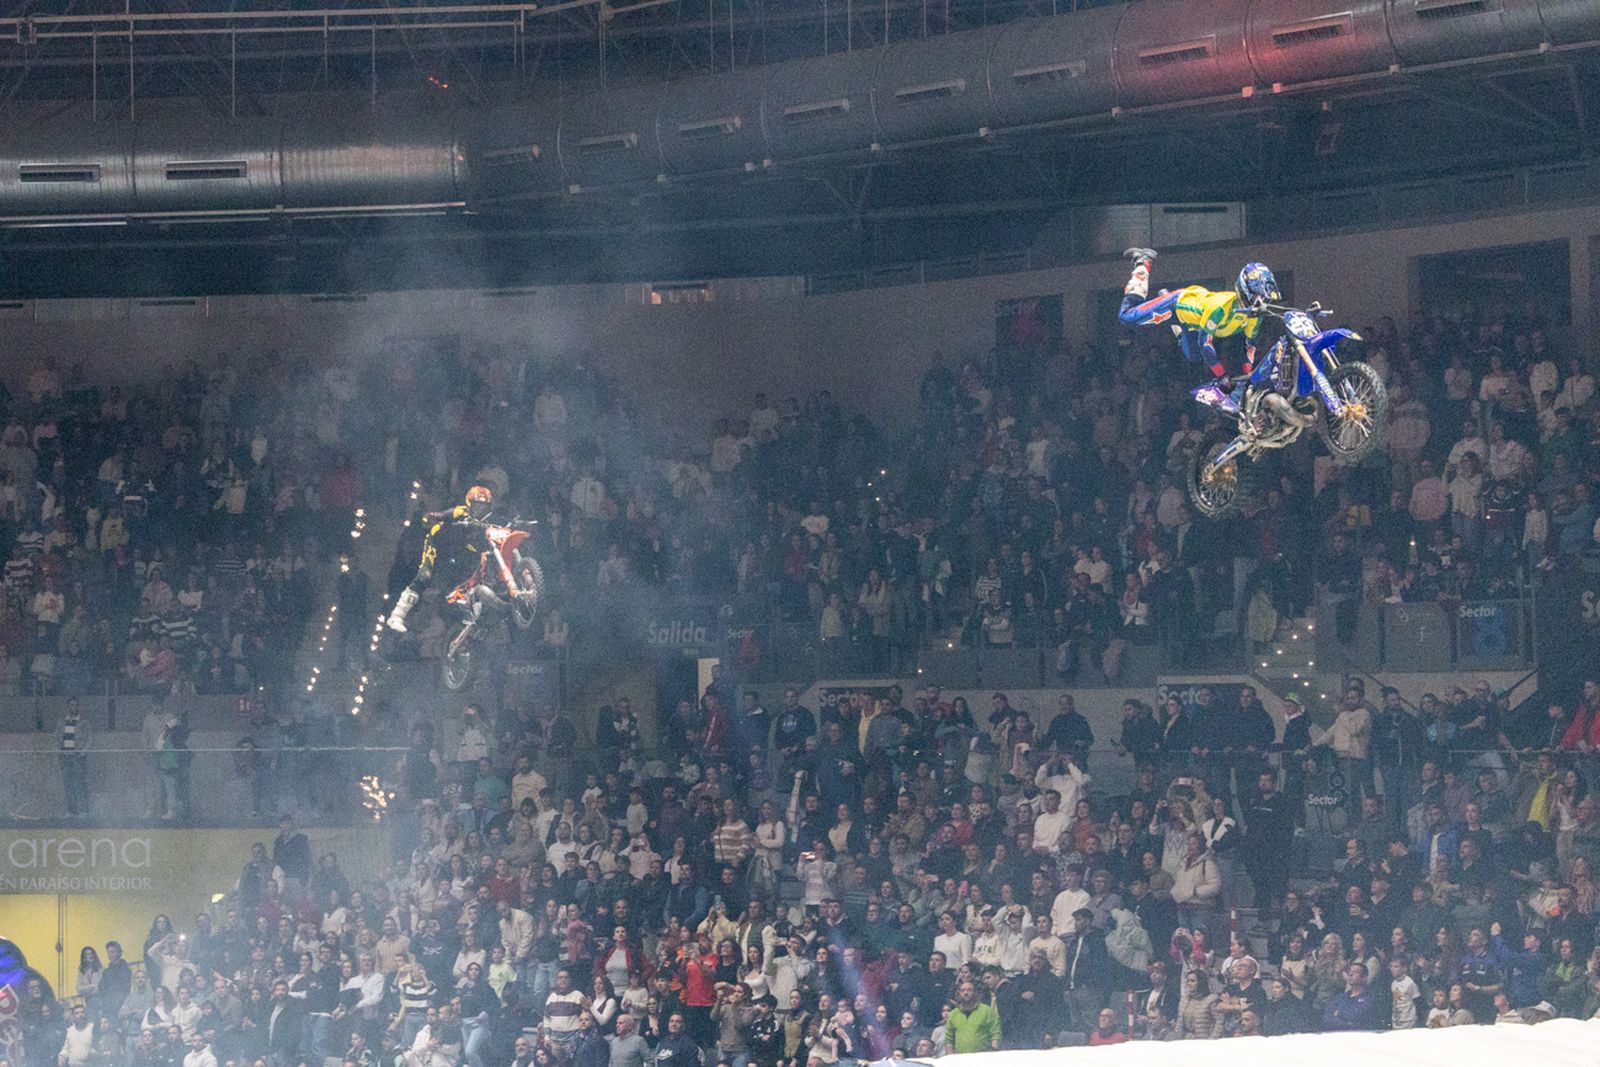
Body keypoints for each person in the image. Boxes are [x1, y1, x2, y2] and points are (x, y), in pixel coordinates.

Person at [1118, 248, 1278, 412]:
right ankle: (1143, 262)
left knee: (1193, 356)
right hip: (1177, 305)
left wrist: (1248, 377)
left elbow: (1250, 346)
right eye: (1257, 297)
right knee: (1126, 316)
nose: (1260, 302)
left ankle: (1172, 314)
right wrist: (1221, 375)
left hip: (1192, 323)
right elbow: (1205, 343)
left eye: (1263, 298)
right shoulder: (1219, 308)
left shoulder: (1254, 316)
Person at [386, 485, 496, 633]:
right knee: (425, 575)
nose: (480, 509)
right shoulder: (461, 511)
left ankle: (471, 612)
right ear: (469, 502)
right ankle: (397, 615)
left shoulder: (488, 521)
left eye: (484, 506)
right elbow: (445, 514)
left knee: (473, 576)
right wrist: (433, 516)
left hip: (461, 553)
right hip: (438, 543)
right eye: (477, 504)